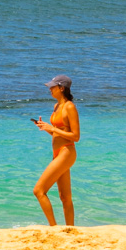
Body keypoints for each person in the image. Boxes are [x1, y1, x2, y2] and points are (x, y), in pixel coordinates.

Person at [31, 74, 81, 226]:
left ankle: (53, 227)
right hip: (57, 152)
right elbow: (56, 132)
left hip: (67, 151)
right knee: (65, 197)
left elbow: (76, 136)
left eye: (53, 87)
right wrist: (45, 127)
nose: (50, 89)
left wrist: (52, 128)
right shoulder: (56, 106)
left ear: (62, 88)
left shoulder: (70, 107)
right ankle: (70, 230)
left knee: (39, 190)